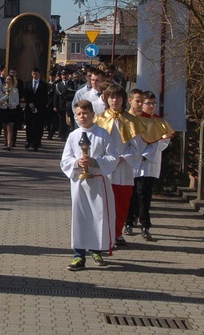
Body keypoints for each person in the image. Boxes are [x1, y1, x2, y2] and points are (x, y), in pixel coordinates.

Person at [61, 99, 118, 271]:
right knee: (80, 217)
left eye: (85, 113)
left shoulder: (102, 134)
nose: (82, 116)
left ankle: (96, 250)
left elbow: (113, 157)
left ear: (93, 114)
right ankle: (78, 255)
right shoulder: (73, 136)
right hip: (79, 183)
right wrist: (78, 163)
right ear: (75, 117)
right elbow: (65, 160)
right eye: (79, 114)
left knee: (97, 217)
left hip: (98, 181)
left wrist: (94, 161)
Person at [94, 84, 147, 247]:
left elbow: (138, 146)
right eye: (111, 97)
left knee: (122, 202)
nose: (114, 100)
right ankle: (104, 234)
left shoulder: (131, 121)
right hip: (105, 167)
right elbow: (95, 144)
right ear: (106, 99)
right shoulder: (99, 119)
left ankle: (116, 233)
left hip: (123, 168)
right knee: (104, 203)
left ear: (124, 100)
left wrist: (124, 158)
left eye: (117, 97)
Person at [127, 91, 175, 240]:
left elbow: (164, 141)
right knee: (131, 194)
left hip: (148, 163)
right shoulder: (132, 119)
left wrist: (147, 154)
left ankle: (145, 224)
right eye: (148, 103)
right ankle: (128, 222)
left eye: (154, 103)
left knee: (144, 194)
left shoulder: (159, 121)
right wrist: (134, 154)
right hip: (132, 162)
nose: (151, 106)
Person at [23, 68, 48, 151]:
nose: (35, 75)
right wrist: (29, 103)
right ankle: (28, 141)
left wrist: (37, 105)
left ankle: (36, 142)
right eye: (33, 74)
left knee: (38, 126)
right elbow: (26, 94)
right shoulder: (28, 83)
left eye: (36, 74)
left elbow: (44, 97)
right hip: (29, 108)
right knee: (29, 125)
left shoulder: (43, 84)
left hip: (39, 108)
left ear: (39, 74)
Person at [0, 74, 20, 150]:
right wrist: (6, 96)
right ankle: (6, 141)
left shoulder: (15, 90)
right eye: (7, 79)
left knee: (10, 127)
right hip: (4, 109)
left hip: (11, 110)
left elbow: (17, 101)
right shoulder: (2, 89)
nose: (8, 81)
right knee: (5, 127)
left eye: (10, 79)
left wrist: (11, 105)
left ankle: (9, 144)